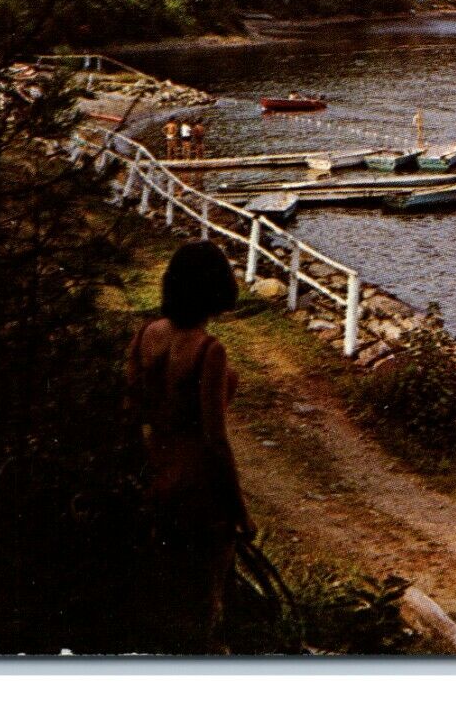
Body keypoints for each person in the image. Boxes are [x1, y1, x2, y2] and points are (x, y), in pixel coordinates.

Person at [126, 241, 250, 651]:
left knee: (160, 596)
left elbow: (130, 414)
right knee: (206, 606)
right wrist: (240, 511)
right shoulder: (208, 351)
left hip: (155, 477)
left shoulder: (145, 335)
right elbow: (215, 440)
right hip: (198, 492)